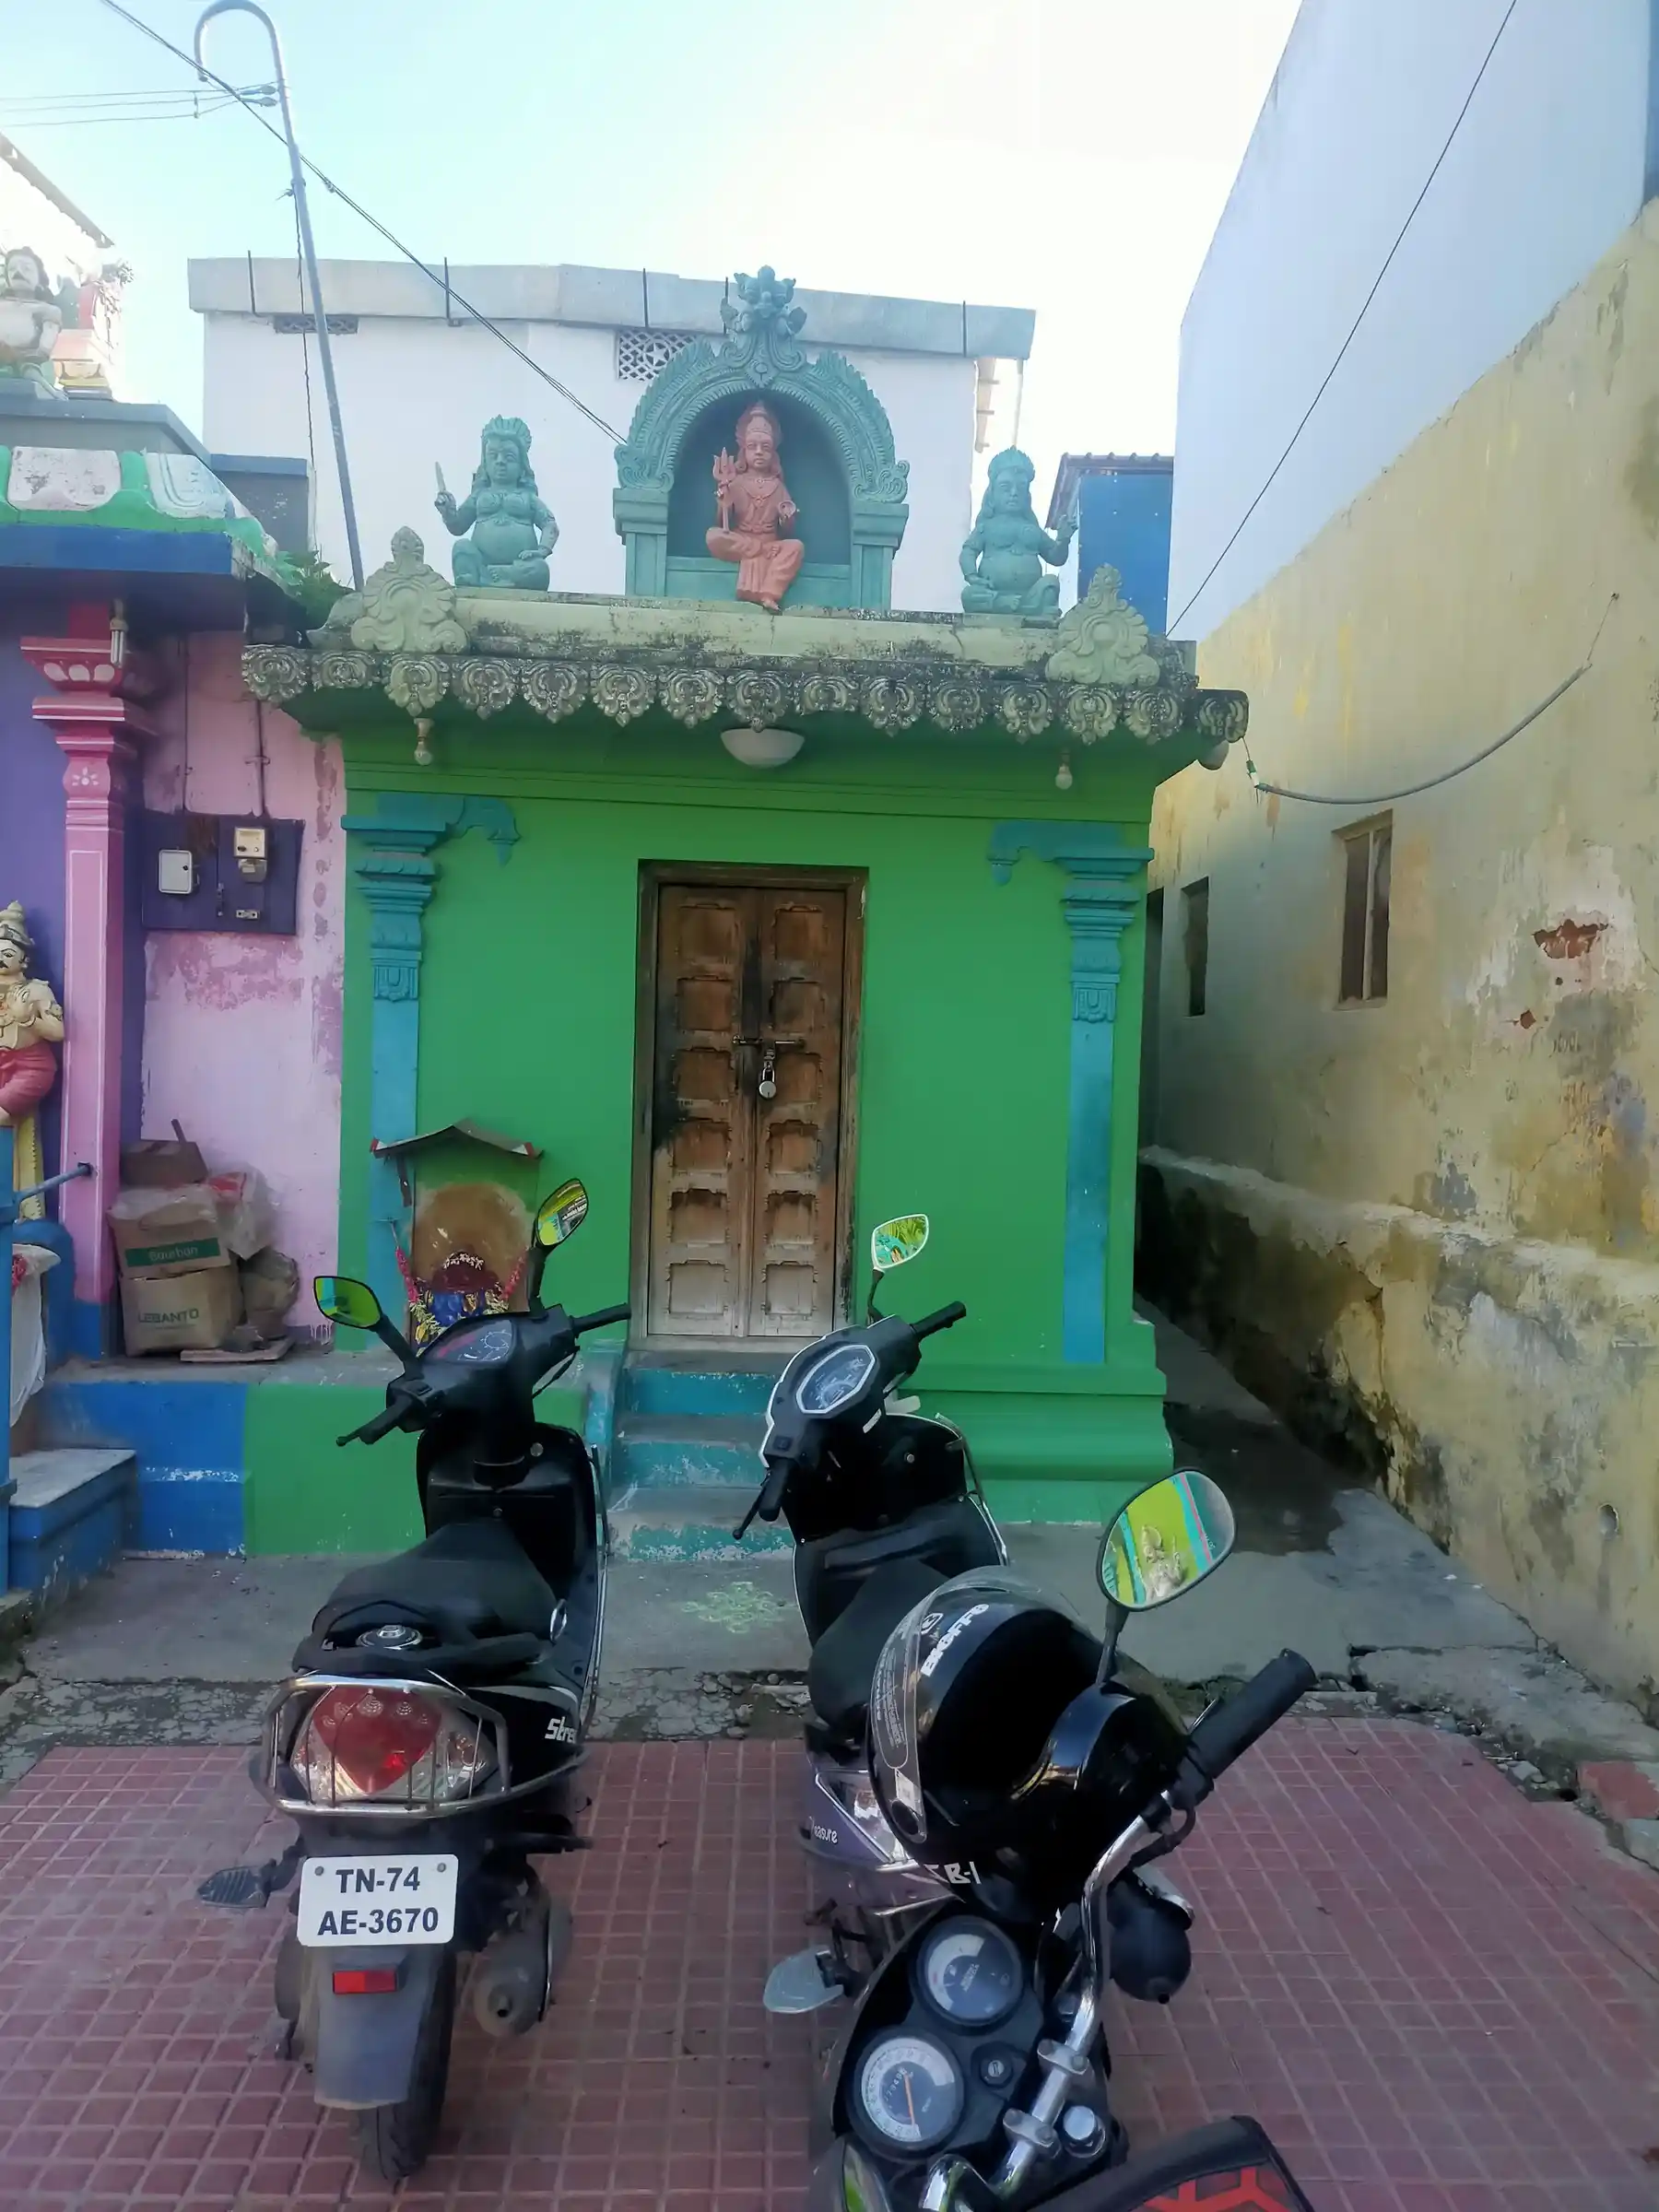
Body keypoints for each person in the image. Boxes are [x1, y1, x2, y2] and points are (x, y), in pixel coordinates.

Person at [706, 400, 806, 611]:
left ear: (773, 453)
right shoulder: (736, 482)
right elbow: (723, 522)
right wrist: (724, 502)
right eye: (753, 447)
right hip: (743, 540)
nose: (759, 452)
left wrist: (786, 518)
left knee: (796, 547)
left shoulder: (778, 486)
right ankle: (756, 552)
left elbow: (786, 530)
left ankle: (770, 592)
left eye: (765, 447)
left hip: (771, 545)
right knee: (713, 536)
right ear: (744, 451)